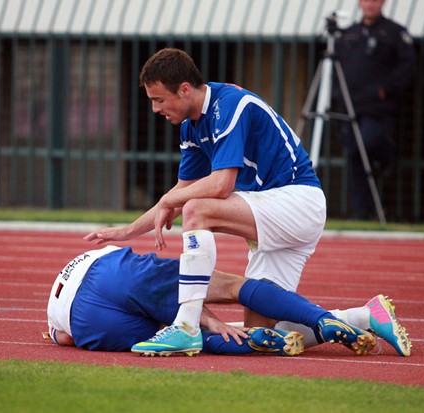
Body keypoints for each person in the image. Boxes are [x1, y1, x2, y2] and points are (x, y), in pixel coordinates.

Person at [84, 48, 327, 355]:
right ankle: (363, 319)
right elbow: (181, 190)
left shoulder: (230, 105)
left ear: (184, 89)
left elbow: (221, 184)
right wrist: (126, 232)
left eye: (159, 99)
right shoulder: (191, 125)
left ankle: (186, 326)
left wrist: (169, 200)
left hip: (299, 201)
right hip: (273, 216)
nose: (155, 108)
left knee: (197, 209)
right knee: (259, 335)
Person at [45, 246, 412, 357]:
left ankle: (256, 341)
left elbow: (64, 339)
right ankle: (344, 316)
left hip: (83, 323)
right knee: (236, 286)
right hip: (104, 269)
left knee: (186, 338)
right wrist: (202, 313)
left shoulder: (56, 330)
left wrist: (206, 321)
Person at [333, 0, 415, 220]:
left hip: (377, 108)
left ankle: (387, 158)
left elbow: (408, 65)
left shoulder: (394, 32)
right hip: (351, 106)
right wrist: (336, 94)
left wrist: (387, 89)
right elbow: (337, 67)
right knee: (354, 155)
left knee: (370, 142)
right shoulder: (350, 34)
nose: (370, 4)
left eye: (375, 0)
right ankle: (361, 210)